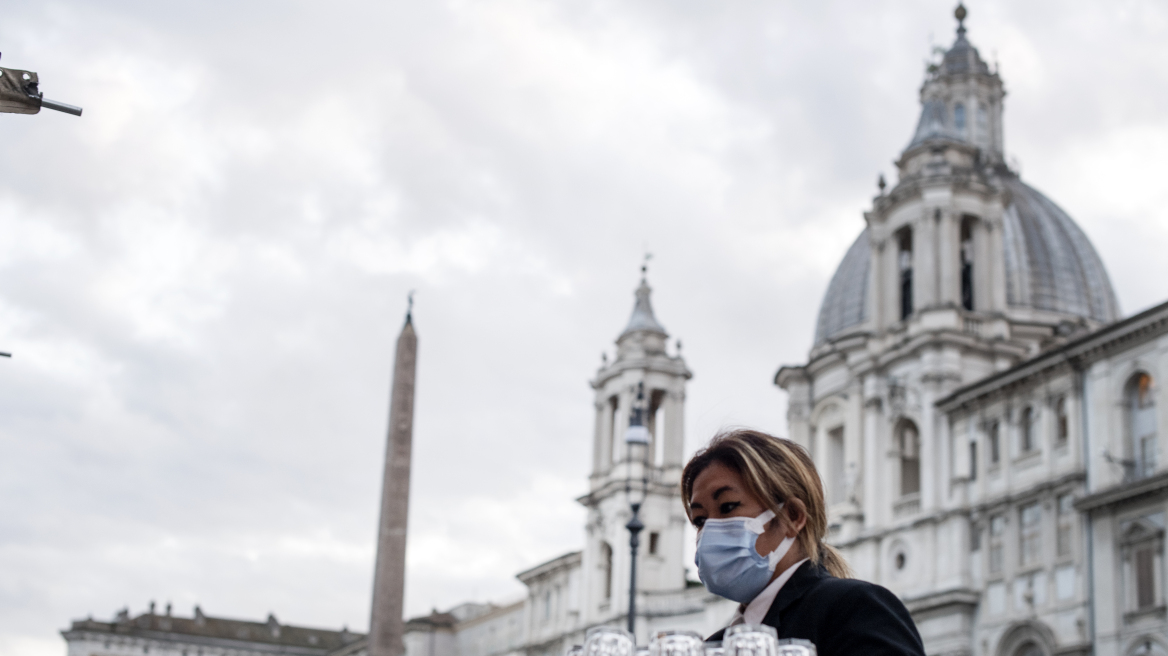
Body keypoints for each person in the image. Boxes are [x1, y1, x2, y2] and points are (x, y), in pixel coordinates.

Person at [682, 429, 925, 656]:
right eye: (700, 520)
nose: (711, 530)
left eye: (728, 507)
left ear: (792, 516)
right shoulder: (713, 647)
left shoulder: (853, 608)